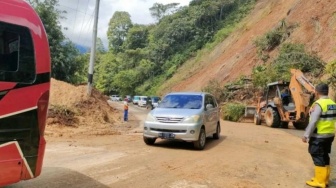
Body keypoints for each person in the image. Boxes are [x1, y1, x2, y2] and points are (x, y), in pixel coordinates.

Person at [302, 83, 336, 187]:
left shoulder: (318, 104)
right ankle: (324, 179)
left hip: (319, 136)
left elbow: (313, 121)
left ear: (316, 92)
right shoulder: (332, 103)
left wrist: (306, 135)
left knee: (317, 156)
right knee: (325, 156)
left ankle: (319, 182)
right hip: (329, 135)